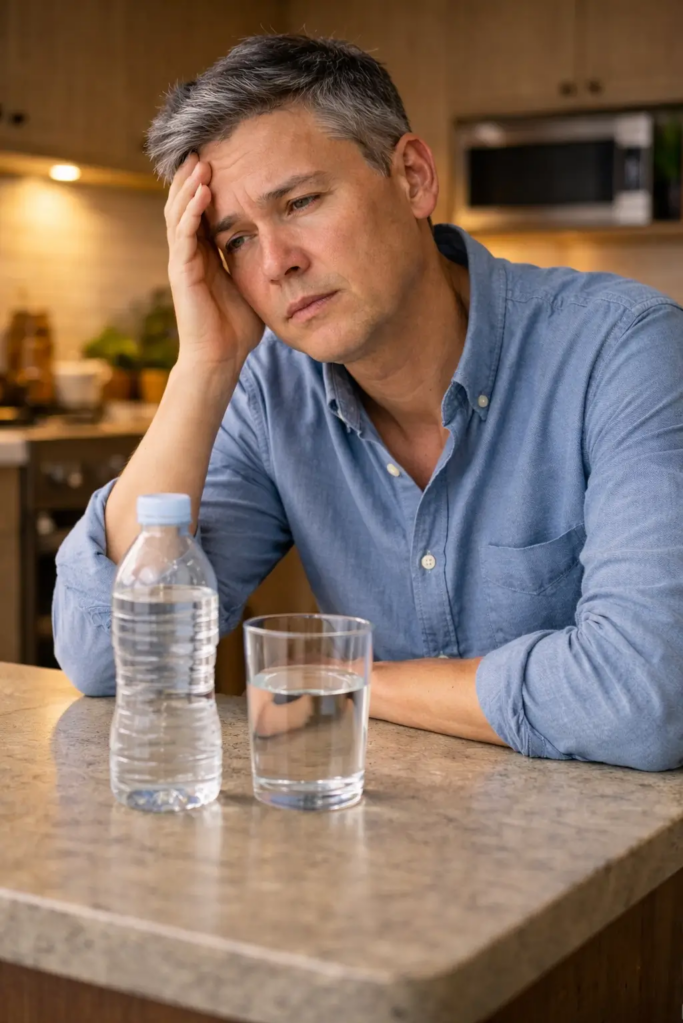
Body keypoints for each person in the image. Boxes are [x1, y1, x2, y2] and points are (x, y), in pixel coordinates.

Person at [54, 34, 683, 772]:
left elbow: (644, 699)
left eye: (300, 202)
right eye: (237, 239)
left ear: (413, 177)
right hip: (375, 848)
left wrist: (343, 678)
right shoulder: (268, 390)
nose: (278, 262)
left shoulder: (625, 350)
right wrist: (205, 364)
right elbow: (105, 654)